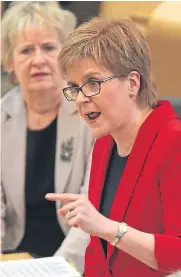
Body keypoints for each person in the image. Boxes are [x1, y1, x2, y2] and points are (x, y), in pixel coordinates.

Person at [45, 18, 181, 277]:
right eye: (74, 88)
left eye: (92, 83)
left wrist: (107, 228)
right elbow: (99, 254)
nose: (82, 98)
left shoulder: (180, 145)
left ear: (132, 83)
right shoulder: (104, 143)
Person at [1, 2, 94, 272]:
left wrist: (57, 268)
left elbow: (95, 205)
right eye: (26, 50)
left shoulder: (90, 114)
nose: (38, 60)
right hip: (14, 258)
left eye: (49, 48)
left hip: (74, 257)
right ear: (9, 62)